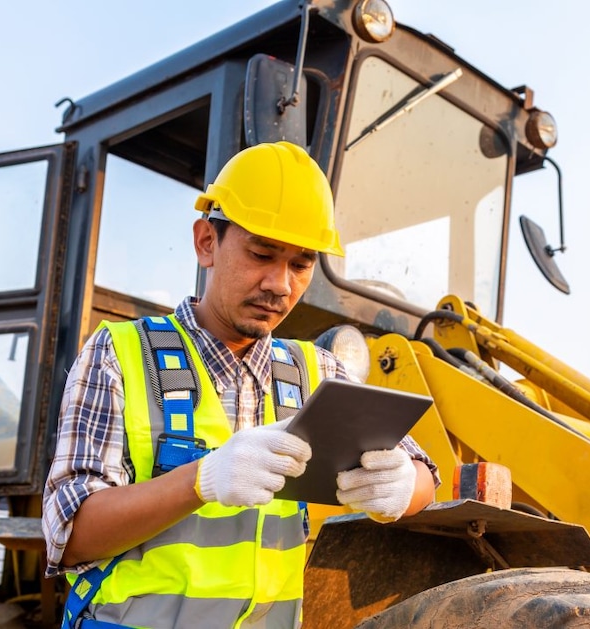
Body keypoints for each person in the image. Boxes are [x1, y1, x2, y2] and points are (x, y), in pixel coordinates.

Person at [42, 142, 438, 629]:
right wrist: (201, 480)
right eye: (261, 254)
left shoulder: (319, 372)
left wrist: (404, 485)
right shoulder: (118, 355)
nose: (280, 284)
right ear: (207, 241)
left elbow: (425, 476)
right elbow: (69, 534)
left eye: (300, 264)